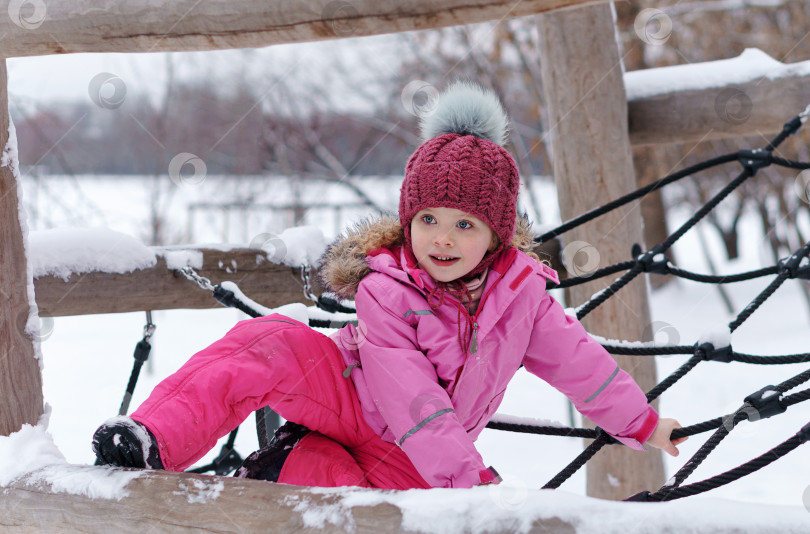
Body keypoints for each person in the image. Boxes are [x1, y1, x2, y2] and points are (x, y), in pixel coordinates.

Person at [92, 81, 687, 489]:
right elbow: (411, 394)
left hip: (412, 459)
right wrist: (465, 478)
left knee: (356, 502)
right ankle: (153, 438)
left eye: (464, 224)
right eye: (427, 220)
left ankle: (280, 469)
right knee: (269, 338)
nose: (441, 240)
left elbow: (580, 363)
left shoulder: (521, 296)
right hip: (352, 394)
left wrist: (641, 423)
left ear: (497, 236)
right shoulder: (388, 285)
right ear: (408, 222)